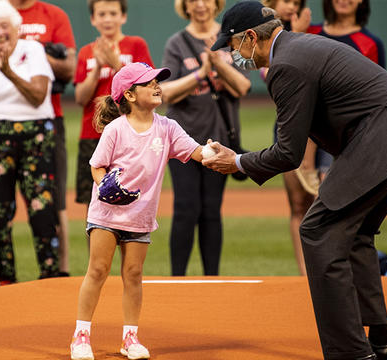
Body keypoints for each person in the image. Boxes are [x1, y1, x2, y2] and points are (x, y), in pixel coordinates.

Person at [206, 2, 387, 359]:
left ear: (249, 37)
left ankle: (350, 352)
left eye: (232, 47)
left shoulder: (285, 64)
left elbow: (287, 153)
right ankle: (381, 341)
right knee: (355, 230)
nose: (233, 55)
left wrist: (238, 161)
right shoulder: (301, 47)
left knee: (317, 230)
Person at [70, 62, 208, 360]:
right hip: (106, 214)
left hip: (140, 216)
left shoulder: (168, 127)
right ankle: (81, 336)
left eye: (157, 81)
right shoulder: (116, 129)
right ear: (130, 95)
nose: (156, 86)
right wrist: (104, 183)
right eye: (148, 83)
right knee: (97, 270)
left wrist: (216, 154)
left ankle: (130, 337)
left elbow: (195, 150)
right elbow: (96, 165)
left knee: (133, 274)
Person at [0, 0, 76, 280]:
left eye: (4, 26)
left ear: (16, 28)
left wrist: (9, 71)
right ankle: (4, 278)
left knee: (42, 206)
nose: (0, 32)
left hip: (36, 134)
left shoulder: (34, 50)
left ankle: (49, 273)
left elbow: (38, 96)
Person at [160, 0, 251, 276]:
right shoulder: (176, 43)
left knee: (211, 209)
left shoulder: (229, 40)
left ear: (216, 5)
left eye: (207, 0)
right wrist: (200, 74)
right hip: (183, 141)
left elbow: (243, 86)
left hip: (219, 140)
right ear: (185, 6)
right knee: (186, 208)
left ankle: (212, 278)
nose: (200, 5)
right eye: (193, 0)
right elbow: (165, 92)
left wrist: (217, 64)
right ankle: (178, 278)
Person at [74, 0, 154, 224]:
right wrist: (99, 67)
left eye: (112, 13)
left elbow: (147, 85)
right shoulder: (86, 52)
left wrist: (116, 63)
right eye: (101, 14)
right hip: (93, 134)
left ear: (123, 17)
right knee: (93, 204)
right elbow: (81, 98)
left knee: (131, 199)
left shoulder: (135, 45)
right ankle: (97, 258)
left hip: (129, 133)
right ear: (93, 19)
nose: (107, 19)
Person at [261, 0, 311, 275]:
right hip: (288, 125)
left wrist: (302, 34)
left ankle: (324, 269)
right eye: (286, 0)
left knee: (322, 201)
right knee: (298, 203)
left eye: (296, 2)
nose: (292, 6)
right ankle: (304, 275)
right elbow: (269, 76)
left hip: (321, 130)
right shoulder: (262, 38)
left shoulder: (314, 31)